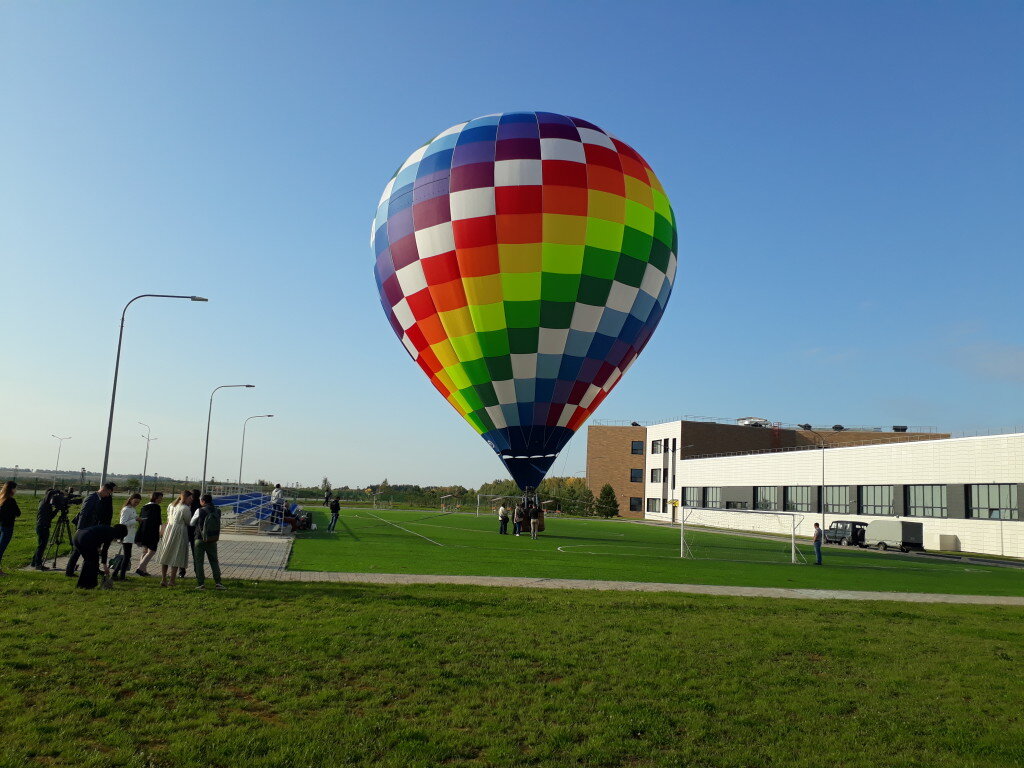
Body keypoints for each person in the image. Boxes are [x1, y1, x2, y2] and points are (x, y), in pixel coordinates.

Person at [65, 481, 116, 576]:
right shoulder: (92, 498)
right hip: (84, 528)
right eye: (108, 493)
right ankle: (69, 571)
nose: (107, 496)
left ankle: (88, 569)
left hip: (89, 527)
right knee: (77, 551)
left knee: (84, 551)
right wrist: (80, 529)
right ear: (104, 490)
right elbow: (84, 513)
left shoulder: (98, 498)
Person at [74, 524, 128, 589]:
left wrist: (98, 548)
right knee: (93, 561)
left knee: (88, 560)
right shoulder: (111, 534)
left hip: (77, 536)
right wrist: (105, 566)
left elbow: (97, 537)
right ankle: (89, 584)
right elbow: (105, 550)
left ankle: (83, 584)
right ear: (119, 534)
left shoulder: (107, 528)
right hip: (85, 538)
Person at [156, 490, 193, 587]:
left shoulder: (171, 505)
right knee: (176, 554)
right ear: (186, 497)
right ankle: (172, 580)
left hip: (169, 529)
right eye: (190, 498)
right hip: (179, 531)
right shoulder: (185, 508)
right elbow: (189, 521)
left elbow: (168, 518)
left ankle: (163, 579)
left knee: (166, 553)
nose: (191, 500)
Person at [193, 493, 226, 590]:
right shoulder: (217, 511)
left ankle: (201, 583)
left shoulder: (200, 510)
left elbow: (191, 522)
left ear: (203, 501)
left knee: (199, 562)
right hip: (212, 539)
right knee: (214, 561)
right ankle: (218, 582)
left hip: (200, 538)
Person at [112, 493, 142, 580]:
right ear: (131, 499)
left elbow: (133, 517)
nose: (136, 504)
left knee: (126, 556)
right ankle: (121, 576)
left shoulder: (132, 509)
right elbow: (123, 523)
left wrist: (138, 519)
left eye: (138, 503)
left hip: (130, 535)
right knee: (127, 556)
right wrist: (135, 520)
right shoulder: (126, 509)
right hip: (126, 535)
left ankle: (116, 574)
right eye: (135, 502)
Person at [134, 491, 163, 576]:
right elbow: (158, 521)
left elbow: (140, 518)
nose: (161, 500)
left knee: (145, 550)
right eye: (160, 498)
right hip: (152, 531)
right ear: (156, 498)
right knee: (152, 551)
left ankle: (144, 570)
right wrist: (160, 531)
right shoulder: (156, 507)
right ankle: (140, 568)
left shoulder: (144, 506)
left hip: (142, 530)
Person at [31, 489, 59, 570]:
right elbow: (50, 517)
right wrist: (57, 509)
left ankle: (34, 562)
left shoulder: (43, 502)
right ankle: (38, 564)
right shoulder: (46, 505)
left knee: (40, 545)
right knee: (42, 546)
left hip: (40, 526)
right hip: (43, 526)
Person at [0, 480, 21, 575]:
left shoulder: (1, 498)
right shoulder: (11, 500)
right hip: (8, 527)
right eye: (15, 488)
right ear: (12, 489)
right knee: (1, 548)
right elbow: (18, 513)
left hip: (1, 525)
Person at [180, 488, 201, 578]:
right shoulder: (199, 506)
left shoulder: (185, 505)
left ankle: (181, 571)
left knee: (182, 551)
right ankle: (197, 572)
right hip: (195, 531)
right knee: (195, 553)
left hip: (185, 530)